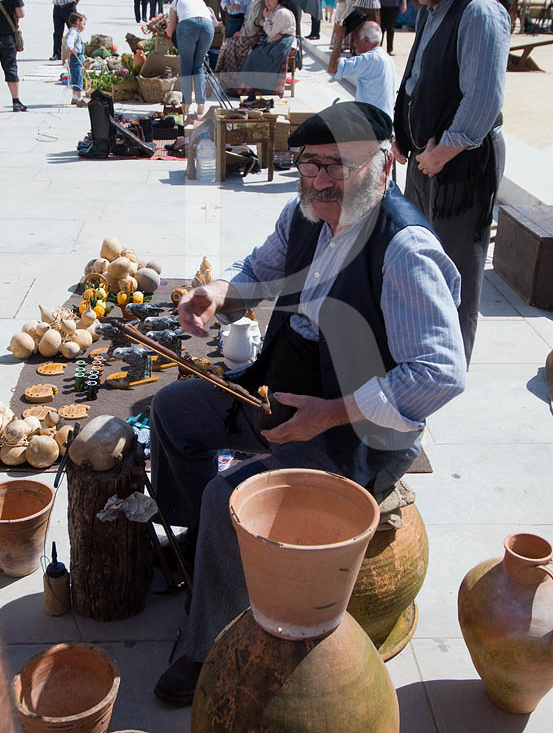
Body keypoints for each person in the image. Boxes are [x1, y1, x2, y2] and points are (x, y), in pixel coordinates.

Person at [150, 100, 467, 705]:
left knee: (228, 496)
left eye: (338, 166)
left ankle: (208, 647)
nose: (321, 180)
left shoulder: (404, 249)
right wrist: (218, 292)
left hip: (356, 429)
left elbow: (440, 373)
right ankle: (206, 556)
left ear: (385, 162)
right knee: (172, 415)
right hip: (285, 388)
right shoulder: (304, 215)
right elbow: (261, 271)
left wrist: (333, 412)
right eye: (310, 164)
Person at [392, 0, 510, 365]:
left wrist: (444, 151)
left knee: (458, 268)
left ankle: (450, 365)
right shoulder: (430, 7)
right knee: (420, 256)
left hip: (462, 163)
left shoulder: (479, 10)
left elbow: (483, 98)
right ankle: (423, 345)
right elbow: (418, 75)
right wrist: (403, 134)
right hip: (427, 159)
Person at [235, 0, 296, 96]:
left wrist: (265, 20)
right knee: (253, 53)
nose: (267, 3)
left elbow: (272, 33)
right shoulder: (274, 11)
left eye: (270, 0)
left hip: (283, 43)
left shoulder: (281, 12)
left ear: (277, 0)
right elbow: (272, 34)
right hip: (277, 41)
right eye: (266, 1)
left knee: (255, 56)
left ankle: (258, 89)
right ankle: (247, 88)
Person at [166, 0, 217, 119]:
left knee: (186, 66)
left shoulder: (176, 2)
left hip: (188, 25)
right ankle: (201, 103)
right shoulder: (199, 0)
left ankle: (186, 103)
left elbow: (170, 28)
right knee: (198, 66)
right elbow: (215, 23)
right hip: (207, 26)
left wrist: (167, 34)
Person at [333, 21, 396, 117]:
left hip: (373, 124)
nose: (354, 44)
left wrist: (339, 38)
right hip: (383, 122)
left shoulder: (371, 59)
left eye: (355, 40)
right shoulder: (386, 58)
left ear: (366, 40)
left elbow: (333, 67)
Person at [216, 0, 264, 88]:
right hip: (242, 29)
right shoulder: (255, 2)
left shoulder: (258, 3)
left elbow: (253, 26)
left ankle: (233, 80)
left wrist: (242, 33)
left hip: (251, 36)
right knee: (227, 45)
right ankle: (227, 79)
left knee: (230, 47)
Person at [66, 11, 87, 107]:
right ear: (78, 22)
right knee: (78, 77)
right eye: (83, 23)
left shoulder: (74, 32)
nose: (84, 26)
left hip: (76, 57)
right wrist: (70, 47)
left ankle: (74, 97)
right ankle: (79, 98)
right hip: (75, 57)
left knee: (75, 77)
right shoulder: (73, 32)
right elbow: (70, 41)